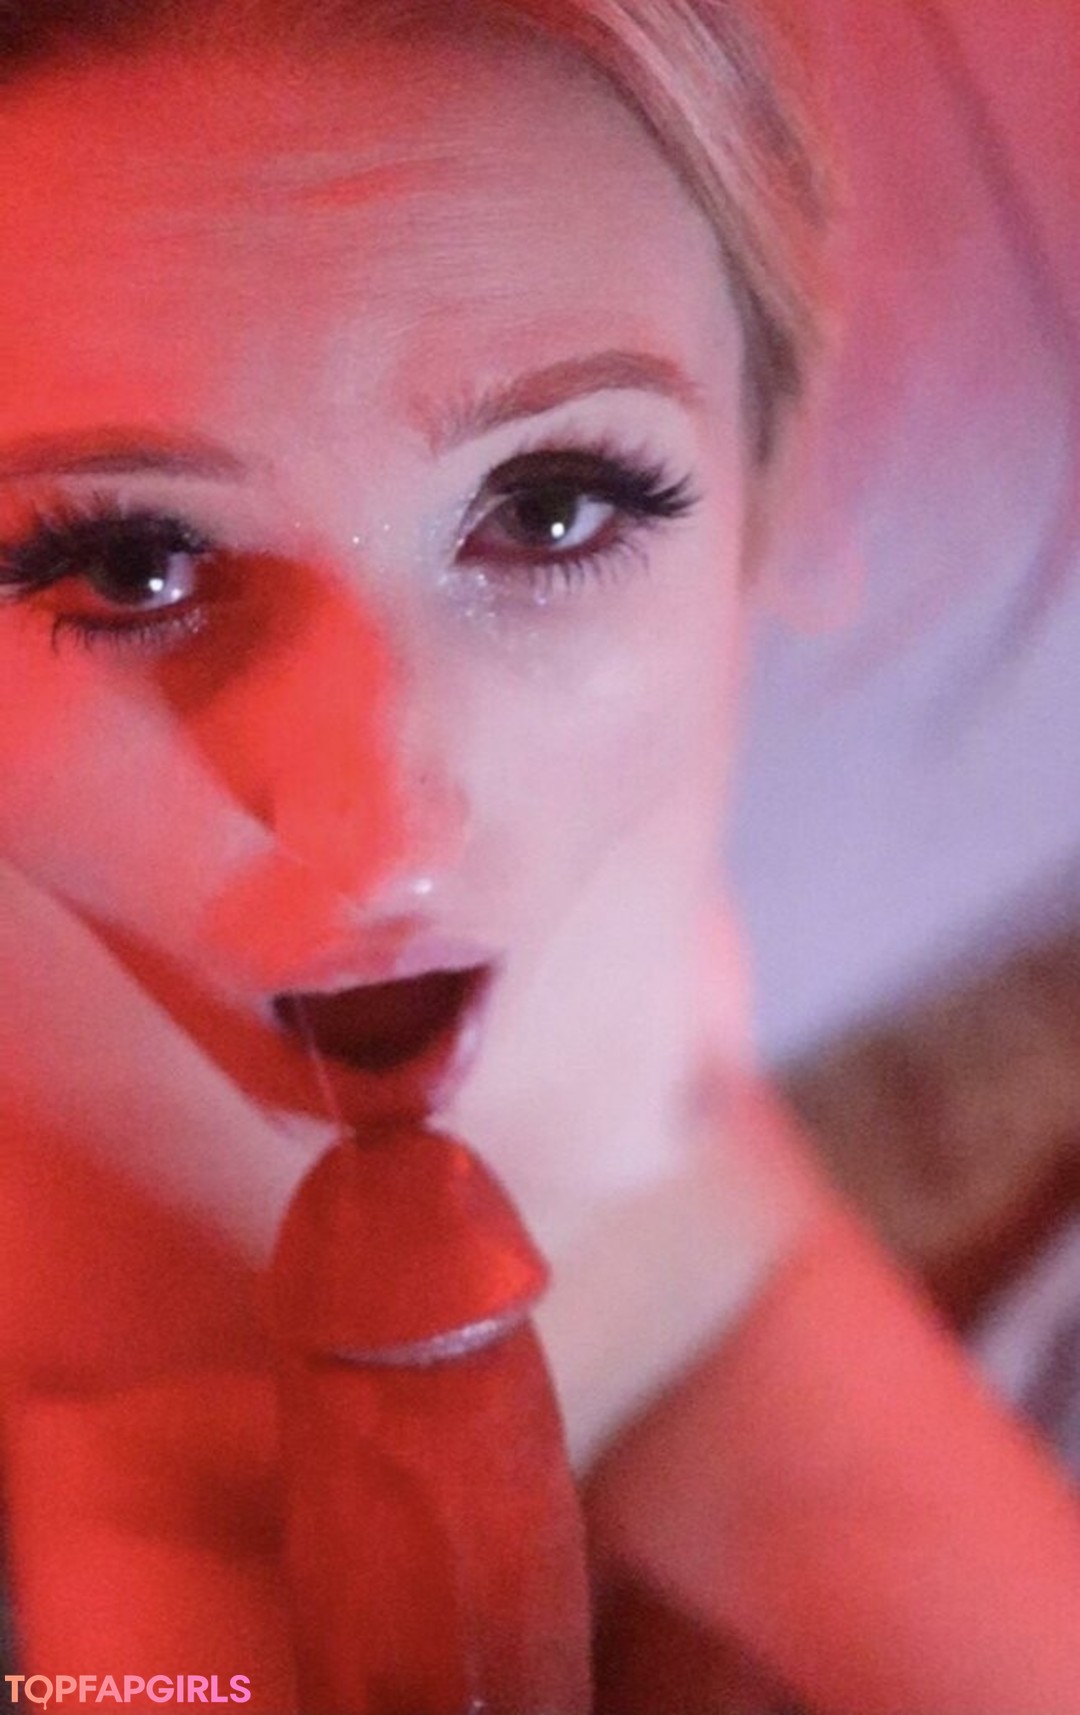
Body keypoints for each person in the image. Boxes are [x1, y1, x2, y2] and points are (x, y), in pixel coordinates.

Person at [0, 1, 1076, 1710]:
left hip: (701, 1283)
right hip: (177, 1466)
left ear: (763, 492)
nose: (384, 841)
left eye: (551, 507)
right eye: (130, 563)